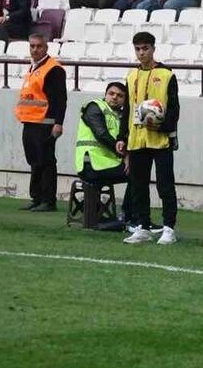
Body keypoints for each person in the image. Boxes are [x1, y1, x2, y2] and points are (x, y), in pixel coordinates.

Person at [122, 32, 180, 245]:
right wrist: (122, 135)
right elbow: (127, 108)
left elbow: (174, 108)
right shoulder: (131, 76)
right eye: (137, 49)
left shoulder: (166, 75)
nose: (141, 53)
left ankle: (169, 228)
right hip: (137, 139)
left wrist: (163, 126)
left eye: (145, 48)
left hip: (160, 139)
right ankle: (143, 226)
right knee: (138, 185)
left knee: (165, 184)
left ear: (153, 49)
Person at [14, 33, 67, 212]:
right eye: (32, 46)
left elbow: (60, 99)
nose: (35, 49)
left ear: (46, 47)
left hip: (45, 122)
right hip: (30, 121)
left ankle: (48, 200)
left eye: (39, 46)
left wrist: (58, 123)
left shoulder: (53, 69)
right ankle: (36, 197)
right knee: (34, 161)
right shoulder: (34, 67)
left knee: (46, 161)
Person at [75, 81, 133, 231]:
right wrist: (125, 155)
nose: (115, 97)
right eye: (111, 94)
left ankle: (124, 217)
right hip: (90, 163)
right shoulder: (94, 107)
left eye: (120, 96)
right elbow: (101, 134)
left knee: (139, 172)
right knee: (138, 175)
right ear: (105, 94)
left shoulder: (121, 115)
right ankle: (127, 217)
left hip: (106, 163)